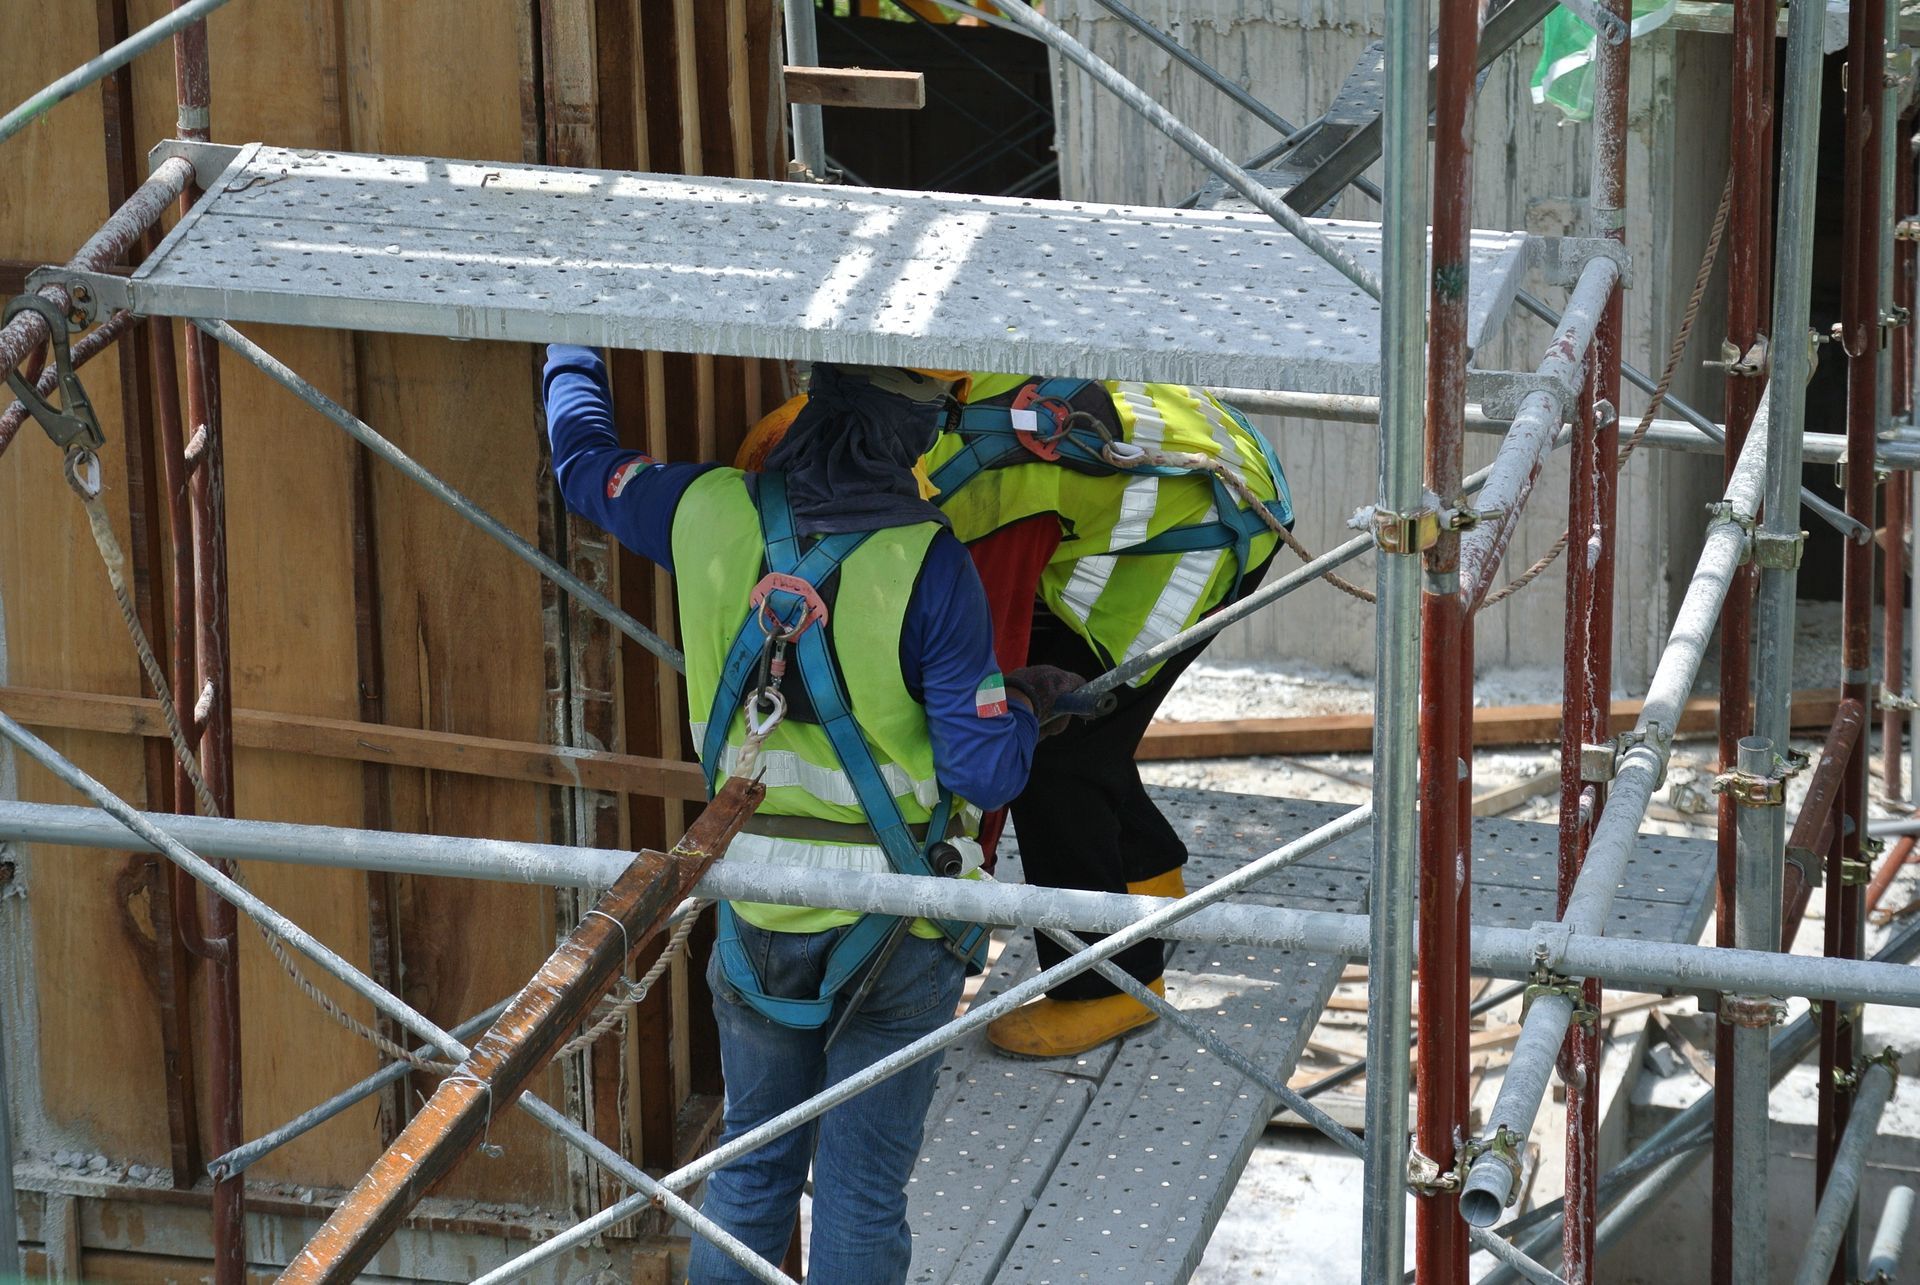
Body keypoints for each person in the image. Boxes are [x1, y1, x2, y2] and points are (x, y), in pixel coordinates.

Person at [543, 347, 1082, 1284]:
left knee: (749, 1163)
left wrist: (568, 351)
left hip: (756, 902)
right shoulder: (928, 564)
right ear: (915, 434)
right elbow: (986, 772)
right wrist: (1032, 700)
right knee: (861, 1190)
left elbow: (582, 460)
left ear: (811, 407)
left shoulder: (703, 509)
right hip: (897, 923)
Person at [741, 374, 1292, 1059]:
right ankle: (1147, 887)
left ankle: (1111, 987)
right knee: (1095, 739)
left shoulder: (978, 498)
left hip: (1194, 530)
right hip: (1199, 459)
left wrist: (975, 832)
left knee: (1057, 749)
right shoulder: (917, 408)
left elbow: (987, 670)